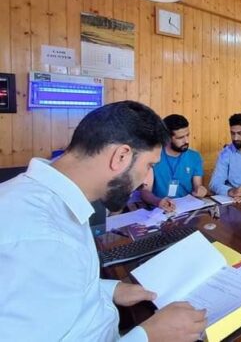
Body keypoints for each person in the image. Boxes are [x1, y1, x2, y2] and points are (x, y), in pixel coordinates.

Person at [0, 101, 206, 341]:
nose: (146, 180)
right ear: (121, 156)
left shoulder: (47, 201)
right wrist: (148, 336)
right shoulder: (41, 237)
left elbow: (54, 293)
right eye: (149, 166)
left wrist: (109, 289)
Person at [141, 114, 206, 212]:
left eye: (187, 135)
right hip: (160, 211)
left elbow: (197, 185)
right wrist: (158, 201)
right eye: (180, 138)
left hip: (187, 209)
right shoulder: (153, 157)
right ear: (167, 137)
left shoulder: (195, 156)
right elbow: (145, 192)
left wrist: (200, 190)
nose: (186, 141)